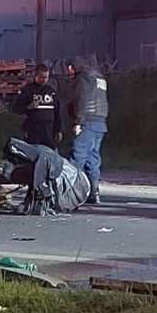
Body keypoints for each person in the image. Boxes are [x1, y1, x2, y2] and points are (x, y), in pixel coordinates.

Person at [67, 57, 108, 205]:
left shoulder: (83, 77)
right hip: (100, 123)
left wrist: (78, 121)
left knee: (77, 156)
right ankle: (94, 192)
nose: (69, 73)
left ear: (72, 67)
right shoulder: (99, 77)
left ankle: (71, 192)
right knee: (93, 159)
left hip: (87, 122)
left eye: (69, 69)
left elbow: (81, 99)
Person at [12, 64, 63, 150]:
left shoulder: (51, 91)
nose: (44, 80)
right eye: (41, 77)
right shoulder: (28, 90)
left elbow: (57, 112)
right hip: (33, 130)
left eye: (46, 77)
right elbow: (16, 109)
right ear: (35, 76)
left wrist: (59, 130)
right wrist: (28, 107)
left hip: (49, 131)